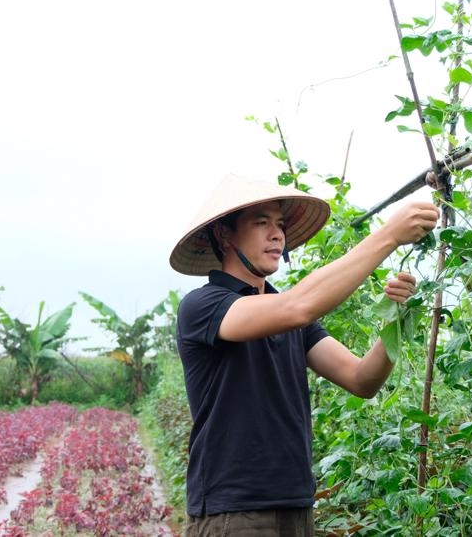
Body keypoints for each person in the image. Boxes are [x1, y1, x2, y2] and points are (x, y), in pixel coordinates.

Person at [169, 174, 439, 536]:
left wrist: (395, 317)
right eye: (261, 223)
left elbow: (362, 380)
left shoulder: (292, 319)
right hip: (233, 512)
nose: (276, 234)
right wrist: (388, 236)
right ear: (225, 235)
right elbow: (297, 307)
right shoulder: (204, 306)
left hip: (296, 505)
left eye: (279, 224)